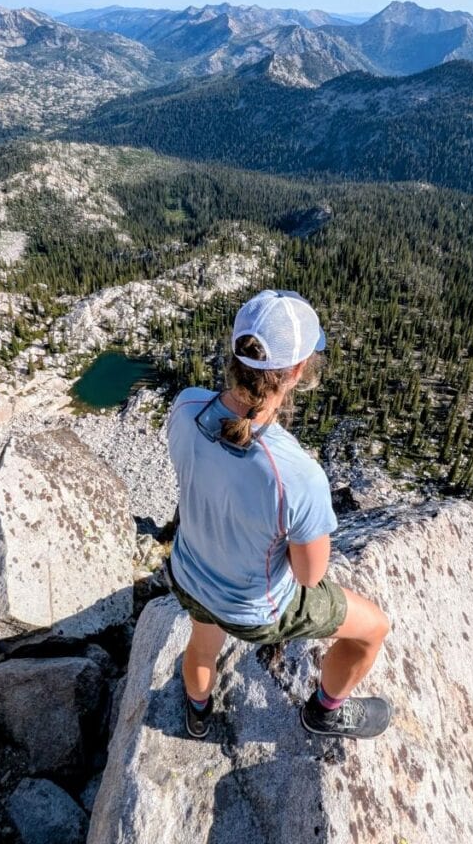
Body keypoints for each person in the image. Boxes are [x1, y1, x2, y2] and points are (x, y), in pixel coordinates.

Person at [165, 289, 392, 740]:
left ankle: (198, 714)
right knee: (373, 629)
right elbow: (310, 577)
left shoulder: (186, 406)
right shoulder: (296, 475)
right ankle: (325, 711)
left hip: (189, 574)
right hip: (254, 611)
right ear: (297, 372)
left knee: (202, 646)